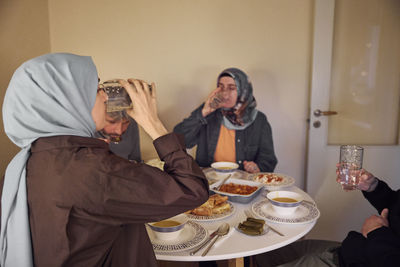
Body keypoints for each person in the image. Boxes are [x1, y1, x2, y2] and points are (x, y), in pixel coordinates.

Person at [0, 53, 209, 267]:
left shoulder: (25, 164)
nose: (105, 97)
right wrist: (152, 122)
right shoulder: (90, 169)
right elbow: (192, 188)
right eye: (96, 88)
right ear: (69, 100)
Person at [254, 167, 400, 267]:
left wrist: (377, 232)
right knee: (266, 255)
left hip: (361, 260)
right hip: (351, 250)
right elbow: (395, 206)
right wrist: (374, 187)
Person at [173, 68, 277, 173]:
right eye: (221, 87)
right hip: (208, 182)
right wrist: (203, 113)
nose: (225, 94)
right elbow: (178, 141)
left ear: (244, 90)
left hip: (243, 185)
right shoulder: (208, 112)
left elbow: (268, 159)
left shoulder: (259, 120)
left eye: (232, 88)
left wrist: (257, 168)